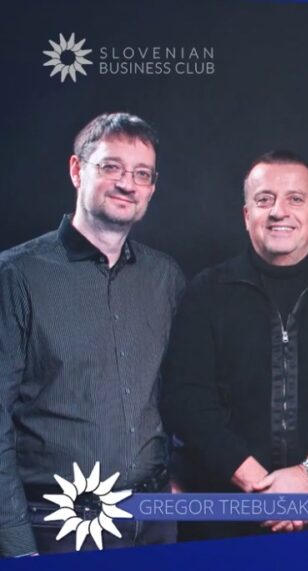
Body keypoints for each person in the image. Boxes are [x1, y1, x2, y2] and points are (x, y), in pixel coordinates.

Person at [159, 150, 308, 540]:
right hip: (231, 513)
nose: (278, 211)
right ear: (246, 214)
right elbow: (186, 399)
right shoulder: (206, 292)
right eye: (264, 199)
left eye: (295, 199)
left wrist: (307, 476)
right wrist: (260, 487)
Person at [0, 112, 184, 556]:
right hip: (57, 527)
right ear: (76, 170)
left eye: (141, 174)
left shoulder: (165, 278)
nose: (127, 183)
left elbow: (182, 391)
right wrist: (17, 546)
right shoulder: (16, 276)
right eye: (111, 167)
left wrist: (179, 479)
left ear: (151, 188)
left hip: (154, 522)